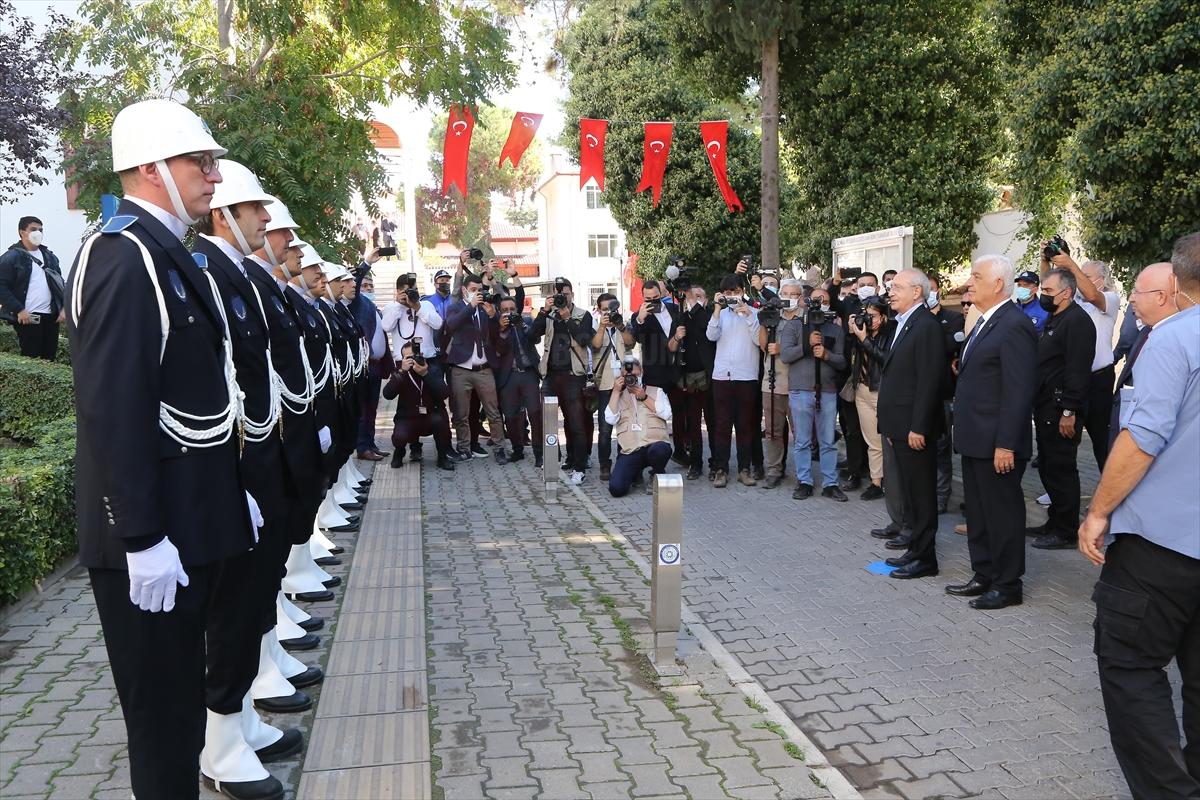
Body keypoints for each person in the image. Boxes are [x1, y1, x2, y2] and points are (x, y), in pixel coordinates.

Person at [64, 99, 277, 800]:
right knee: (162, 733)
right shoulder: (122, 258)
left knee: (183, 720)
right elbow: (113, 409)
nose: (214, 177)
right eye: (200, 162)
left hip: (191, 523)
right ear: (152, 171)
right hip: (154, 543)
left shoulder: (163, 254)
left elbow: (204, 396)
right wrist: (142, 535)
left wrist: (229, 490)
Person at [1078, 232, 1199, 800]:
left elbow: (1143, 437)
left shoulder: (1173, 339)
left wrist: (1098, 511)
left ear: (1176, 284)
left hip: (1161, 546)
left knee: (1128, 665)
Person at [948, 255, 1038, 610]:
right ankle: (983, 573)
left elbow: (1018, 391)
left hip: (997, 442)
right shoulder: (986, 320)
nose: (969, 282)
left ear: (998, 283)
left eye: (976, 276)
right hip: (975, 438)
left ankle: (1007, 583)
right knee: (980, 515)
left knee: (1002, 514)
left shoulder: (1013, 324)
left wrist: (1006, 443)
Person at [876, 269, 946, 580]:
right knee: (910, 491)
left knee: (921, 494)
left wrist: (918, 426)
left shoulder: (926, 326)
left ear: (917, 292)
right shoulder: (904, 323)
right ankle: (915, 551)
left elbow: (929, 381)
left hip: (915, 429)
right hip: (900, 426)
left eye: (897, 287)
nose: (890, 292)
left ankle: (925, 558)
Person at [1027, 267, 1097, 550]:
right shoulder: (1057, 317)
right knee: (1047, 465)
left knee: (1061, 468)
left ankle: (1066, 530)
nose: (1043, 296)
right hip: (1046, 406)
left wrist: (1069, 411)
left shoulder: (1077, 321)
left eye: (1047, 291)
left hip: (1061, 410)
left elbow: (1077, 371)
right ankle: (1054, 521)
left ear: (1067, 293)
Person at [1050, 251, 1121, 469]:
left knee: (1101, 440)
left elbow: (1092, 295)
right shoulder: (1074, 301)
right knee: (1065, 437)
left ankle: (1109, 493)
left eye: (1086, 275)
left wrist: (1071, 265)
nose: (1080, 278)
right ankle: (1061, 492)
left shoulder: (1109, 298)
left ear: (1102, 279)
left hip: (1099, 380)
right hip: (1074, 379)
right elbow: (1050, 298)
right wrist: (1048, 263)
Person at [780, 286, 848, 501]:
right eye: (817, 299)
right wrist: (807, 347)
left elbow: (842, 361)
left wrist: (826, 354)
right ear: (806, 302)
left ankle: (830, 483)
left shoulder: (835, 330)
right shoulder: (794, 326)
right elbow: (785, 355)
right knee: (802, 440)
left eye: (825, 300)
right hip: (800, 390)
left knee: (828, 440)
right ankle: (804, 481)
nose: (820, 304)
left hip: (827, 391)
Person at [531, 277, 595, 482]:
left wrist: (567, 319)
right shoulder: (549, 315)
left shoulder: (582, 315)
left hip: (573, 375)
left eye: (565, 295)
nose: (562, 299)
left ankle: (579, 465)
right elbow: (532, 336)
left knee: (575, 422)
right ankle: (552, 461)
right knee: (547, 422)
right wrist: (543, 312)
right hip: (550, 375)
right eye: (558, 296)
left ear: (572, 295)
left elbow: (585, 340)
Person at [381, 272, 448, 464]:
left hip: (428, 361)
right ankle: (413, 446)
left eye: (414, 290)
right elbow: (386, 326)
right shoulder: (392, 308)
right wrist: (399, 306)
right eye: (406, 291)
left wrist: (417, 306)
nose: (410, 294)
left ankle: (443, 449)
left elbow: (438, 323)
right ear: (398, 292)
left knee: (437, 405)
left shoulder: (425, 305)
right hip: (404, 362)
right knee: (409, 405)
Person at [1109, 263, 1174, 448]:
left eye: (1137, 292)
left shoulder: (1171, 340)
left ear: (1160, 296)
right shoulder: (1147, 331)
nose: (1131, 299)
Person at [705, 275, 761, 488]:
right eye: (727, 293)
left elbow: (758, 340)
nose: (732, 296)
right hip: (722, 376)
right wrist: (717, 310)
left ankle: (745, 469)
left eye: (735, 291)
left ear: (742, 291)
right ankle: (721, 469)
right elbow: (711, 335)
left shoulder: (754, 313)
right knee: (722, 425)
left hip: (746, 376)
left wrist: (748, 315)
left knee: (745, 424)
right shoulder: (721, 314)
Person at [444, 274, 506, 461]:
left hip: (484, 368)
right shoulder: (455, 308)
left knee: (493, 412)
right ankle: (464, 448)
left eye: (479, 290)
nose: (477, 294)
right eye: (473, 290)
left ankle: (500, 448)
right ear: (464, 290)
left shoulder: (486, 309)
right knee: (461, 413)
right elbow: (452, 325)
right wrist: (470, 307)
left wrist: (493, 316)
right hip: (461, 369)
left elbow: (497, 334)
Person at [605, 356, 673, 497]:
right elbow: (610, 419)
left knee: (660, 450)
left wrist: (645, 397)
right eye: (626, 376)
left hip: (654, 445)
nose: (631, 379)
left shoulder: (656, 391)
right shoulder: (618, 395)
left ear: (641, 372)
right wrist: (616, 391)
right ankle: (635, 473)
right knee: (616, 489)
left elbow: (667, 414)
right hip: (631, 450)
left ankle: (657, 473)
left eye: (634, 375)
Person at [381, 341, 455, 471]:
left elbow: (444, 393)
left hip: (430, 416)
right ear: (403, 359)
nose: (412, 360)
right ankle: (399, 452)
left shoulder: (432, 369)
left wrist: (425, 374)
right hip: (407, 417)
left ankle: (442, 457)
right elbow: (387, 394)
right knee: (399, 436)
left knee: (441, 422)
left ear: (421, 355)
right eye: (408, 358)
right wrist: (402, 372)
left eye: (415, 356)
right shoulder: (400, 373)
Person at [847, 297, 893, 501]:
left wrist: (865, 339)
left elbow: (886, 359)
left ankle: (891, 482)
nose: (868, 320)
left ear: (883, 316)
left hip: (882, 391)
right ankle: (877, 482)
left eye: (872, 316)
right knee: (872, 440)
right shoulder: (860, 331)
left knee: (887, 440)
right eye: (865, 315)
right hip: (862, 390)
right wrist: (852, 334)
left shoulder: (891, 333)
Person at [0, 216, 65, 359]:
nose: (38, 233)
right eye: (33, 229)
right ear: (22, 232)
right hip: (27, 317)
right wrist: (19, 309)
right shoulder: (11, 257)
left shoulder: (49, 257)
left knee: (49, 361)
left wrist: (63, 308)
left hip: (51, 317)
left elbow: (60, 284)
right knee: (32, 358)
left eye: (41, 230)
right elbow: (2, 287)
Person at [758, 280, 802, 489]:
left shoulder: (806, 318)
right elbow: (764, 346)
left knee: (800, 432)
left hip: (799, 384)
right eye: (785, 293)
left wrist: (782, 348)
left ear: (800, 297)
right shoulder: (774, 317)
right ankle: (774, 469)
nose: (789, 297)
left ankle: (803, 474)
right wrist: (764, 320)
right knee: (773, 431)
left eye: (794, 293)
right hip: (772, 382)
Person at [927, 275, 965, 514]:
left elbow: (949, 345)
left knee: (942, 448)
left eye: (931, 290)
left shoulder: (953, 319)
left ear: (938, 291)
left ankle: (942, 496)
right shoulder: (916, 319)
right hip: (921, 395)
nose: (928, 294)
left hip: (944, 394)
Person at [349, 252, 391, 461]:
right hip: (363, 365)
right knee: (364, 408)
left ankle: (371, 443)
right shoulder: (357, 303)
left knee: (373, 408)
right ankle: (362, 446)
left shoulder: (373, 306)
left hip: (376, 365)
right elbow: (354, 286)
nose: (367, 290)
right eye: (364, 286)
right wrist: (366, 264)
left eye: (370, 287)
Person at [494, 293, 543, 468]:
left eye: (512, 309)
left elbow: (535, 338)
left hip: (528, 373)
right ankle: (517, 450)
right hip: (509, 375)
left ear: (518, 310)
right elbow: (497, 350)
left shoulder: (526, 321)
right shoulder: (497, 326)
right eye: (505, 310)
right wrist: (501, 330)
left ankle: (539, 453)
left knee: (535, 413)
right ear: (500, 312)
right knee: (511, 415)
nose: (509, 313)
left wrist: (521, 325)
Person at [672, 285, 715, 480]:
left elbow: (708, 331)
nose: (694, 299)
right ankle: (695, 463)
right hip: (688, 377)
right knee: (693, 424)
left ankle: (716, 463)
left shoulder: (710, 316)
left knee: (714, 423)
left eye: (699, 296)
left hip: (709, 377)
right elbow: (671, 346)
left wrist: (696, 308)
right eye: (691, 296)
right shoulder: (681, 317)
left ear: (705, 300)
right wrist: (676, 337)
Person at [590, 292, 628, 481]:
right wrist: (603, 327)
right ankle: (605, 464)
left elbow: (631, 342)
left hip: (624, 383)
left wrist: (620, 325)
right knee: (605, 429)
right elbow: (595, 346)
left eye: (611, 309)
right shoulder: (596, 327)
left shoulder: (622, 325)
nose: (609, 313)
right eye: (604, 310)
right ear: (598, 310)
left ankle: (624, 463)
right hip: (605, 384)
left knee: (624, 425)